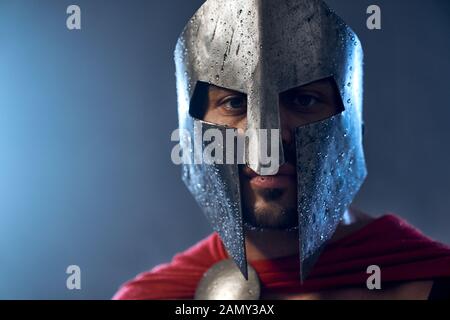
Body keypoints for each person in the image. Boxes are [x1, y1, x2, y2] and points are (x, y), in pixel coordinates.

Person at [114, 0, 450, 300]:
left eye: (304, 100)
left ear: (350, 128)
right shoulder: (153, 297)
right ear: (192, 133)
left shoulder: (430, 282)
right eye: (233, 103)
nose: (267, 140)